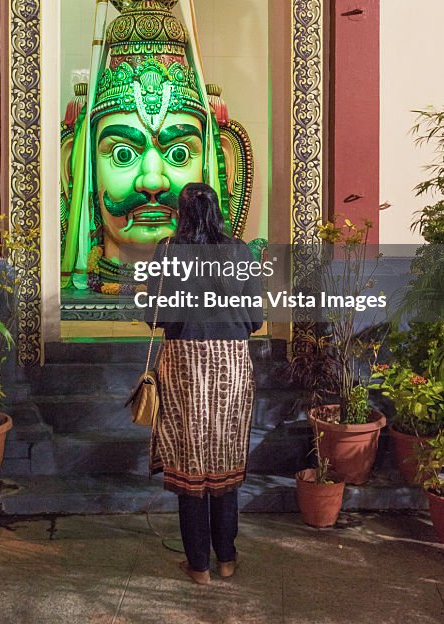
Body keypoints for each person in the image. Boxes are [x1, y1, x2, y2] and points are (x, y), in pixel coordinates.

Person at [145, 182, 263, 585]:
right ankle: (226, 558)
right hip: (231, 360)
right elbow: (256, 316)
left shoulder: (169, 250)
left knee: (189, 456)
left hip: (184, 361)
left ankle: (199, 566)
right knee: (226, 451)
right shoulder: (239, 251)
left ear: (182, 212)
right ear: (218, 210)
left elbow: (155, 314)